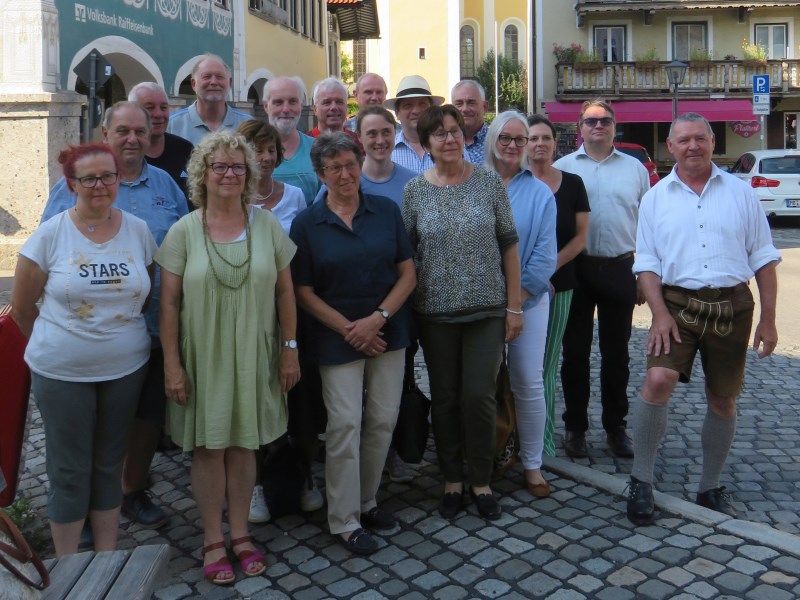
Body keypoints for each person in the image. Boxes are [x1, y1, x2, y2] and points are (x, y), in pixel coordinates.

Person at [157, 131, 300, 584]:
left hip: (255, 353)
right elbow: (167, 305)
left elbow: (285, 293)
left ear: (250, 174)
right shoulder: (183, 230)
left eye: (238, 167)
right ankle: (212, 537)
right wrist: (172, 365)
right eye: (219, 166)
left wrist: (289, 349)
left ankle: (241, 534)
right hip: (203, 357)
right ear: (202, 173)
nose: (229, 174)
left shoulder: (268, 225)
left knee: (243, 445)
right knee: (209, 447)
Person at [627, 113, 780, 526]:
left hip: (733, 304)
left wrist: (769, 319)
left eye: (700, 138)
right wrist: (659, 314)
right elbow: (647, 263)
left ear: (712, 142)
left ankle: (709, 486)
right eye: (683, 140)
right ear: (670, 147)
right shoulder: (655, 198)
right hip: (675, 303)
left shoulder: (741, 193)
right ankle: (641, 480)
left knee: (722, 397)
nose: (692, 146)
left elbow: (764, 259)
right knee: (658, 379)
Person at [41, 101, 188, 533]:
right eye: (122, 130)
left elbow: (183, 242)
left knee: (146, 417)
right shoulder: (76, 184)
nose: (131, 139)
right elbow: (46, 253)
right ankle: (80, 505)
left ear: (150, 135)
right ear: (105, 133)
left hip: (154, 329)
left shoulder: (165, 185)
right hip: (87, 335)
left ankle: (131, 489)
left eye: (139, 132)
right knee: (89, 422)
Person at [11, 143, 157, 557]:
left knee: (110, 464)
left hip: (127, 367)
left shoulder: (138, 231)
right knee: (69, 469)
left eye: (108, 176)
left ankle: (108, 556)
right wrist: (63, 344)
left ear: (119, 180)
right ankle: (69, 563)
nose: (99, 185)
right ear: (71, 184)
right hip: (62, 373)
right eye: (88, 178)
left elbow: (142, 293)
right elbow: (22, 310)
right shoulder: (50, 235)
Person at [290, 132, 416, 555]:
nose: (345, 174)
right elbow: (303, 291)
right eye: (335, 167)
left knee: (382, 419)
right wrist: (351, 329)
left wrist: (376, 319)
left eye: (351, 164)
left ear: (361, 163)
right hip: (335, 336)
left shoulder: (385, 210)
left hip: (387, 331)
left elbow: (408, 273)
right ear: (320, 174)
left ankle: (367, 500)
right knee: (344, 424)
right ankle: (343, 519)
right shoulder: (307, 223)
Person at [402, 105, 523, 521]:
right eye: (439, 134)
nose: (449, 139)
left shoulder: (488, 183)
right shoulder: (415, 191)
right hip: (435, 313)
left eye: (454, 132)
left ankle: (481, 478)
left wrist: (514, 307)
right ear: (427, 143)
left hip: (487, 311)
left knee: (479, 396)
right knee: (447, 398)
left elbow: (509, 245)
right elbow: (408, 255)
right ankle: (451, 478)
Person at [553, 99, 649, 459]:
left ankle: (615, 428)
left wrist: (643, 273)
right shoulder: (562, 168)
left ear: (614, 126)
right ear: (580, 126)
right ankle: (575, 427)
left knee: (617, 356)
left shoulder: (635, 170)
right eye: (591, 120)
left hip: (620, 267)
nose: (598, 126)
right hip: (577, 270)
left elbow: (649, 224)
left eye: (605, 120)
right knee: (574, 355)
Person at [485, 111, 557, 497]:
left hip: (528, 304)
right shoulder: (473, 183)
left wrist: (515, 303)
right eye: (505, 138)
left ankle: (532, 464)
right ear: (493, 140)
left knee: (527, 382)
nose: (513, 146)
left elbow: (545, 258)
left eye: (520, 139)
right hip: (480, 307)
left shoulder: (540, 192)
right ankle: (486, 460)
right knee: (482, 386)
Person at [527, 114, 590, 458]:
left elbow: (580, 238)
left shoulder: (573, 183)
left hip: (561, 285)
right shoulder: (514, 184)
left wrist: (546, 269)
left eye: (545, 138)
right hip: (519, 289)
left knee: (547, 365)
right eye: (532, 138)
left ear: (555, 144)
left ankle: (544, 443)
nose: (539, 144)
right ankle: (517, 438)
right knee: (521, 367)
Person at [128, 82, 194, 209]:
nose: (158, 114)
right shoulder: (125, 154)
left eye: (163, 108)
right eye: (149, 107)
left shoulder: (185, 149)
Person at [237, 119, 306, 234]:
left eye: (271, 150)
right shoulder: (232, 197)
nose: (267, 157)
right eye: (259, 151)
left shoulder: (295, 195)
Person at [167, 54, 252, 145]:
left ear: (230, 83)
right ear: (193, 84)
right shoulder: (172, 125)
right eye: (206, 77)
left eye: (219, 77)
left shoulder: (248, 125)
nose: (214, 82)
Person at [263, 76, 320, 205]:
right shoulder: (249, 151)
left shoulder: (317, 149)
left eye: (292, 102)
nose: (286, 109)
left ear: (301, 105)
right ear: (266, 106)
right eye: (278, 102)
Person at [386, 75, 444, 173]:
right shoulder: (387, 153)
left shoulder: (451, 146)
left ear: (431, 108)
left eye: (422, 104)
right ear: (396, 112)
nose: (416, 111)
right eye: (408, 105)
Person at [307, 78, 361, 148]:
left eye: (339, 102)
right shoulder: (303, 145)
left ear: (346, 107)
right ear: (315, 109)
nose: (334, 107)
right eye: (327, 102)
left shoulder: (359, 143)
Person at [451, 80, 489, 165]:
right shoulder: (444, 142)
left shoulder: (497, 142)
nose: (465, 109)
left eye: (471, 103)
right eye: (459, 104)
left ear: (485, 107)